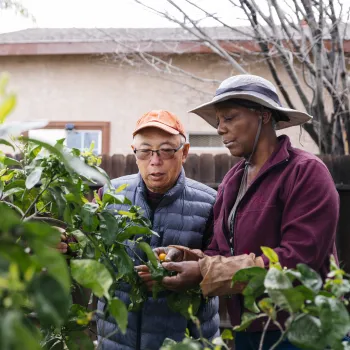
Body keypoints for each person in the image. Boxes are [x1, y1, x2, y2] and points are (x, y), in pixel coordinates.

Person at [153, 75, 340, 350]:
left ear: (264, 115)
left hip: (302, 328)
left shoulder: (305, 172)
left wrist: (203, 270)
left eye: (229, 118)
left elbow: (297, 261)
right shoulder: (232, 180)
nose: (220, 129)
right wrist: (188, 258)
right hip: (247, 328)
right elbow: (221, 251)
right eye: (218, 121)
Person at [92, 110, 219, 349]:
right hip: (116, 341)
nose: (155, 161)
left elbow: (222, 266)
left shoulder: (211, 203)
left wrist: (186, 275)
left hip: (185, 341)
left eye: (167, 150)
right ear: (135, 152)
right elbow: (89, 253)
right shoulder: (109, 195)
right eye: (145, 151)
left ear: (184, 153)